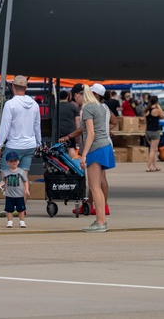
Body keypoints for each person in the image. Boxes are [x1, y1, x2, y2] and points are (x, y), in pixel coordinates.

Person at [78, 85, 114, 232]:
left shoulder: (87, 108)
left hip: (95, 148)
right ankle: (100, 220)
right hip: (105, 145)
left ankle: (100, 222)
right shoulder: (101, 107)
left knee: (94, 187)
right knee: (97, 186)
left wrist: (84, 155)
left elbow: (90, 133)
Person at [0, 75, 41, 172]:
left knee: (5, 172)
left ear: (12, 86)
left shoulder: (10, 104)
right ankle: (26, 188)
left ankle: (8, 188)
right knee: (24, 175)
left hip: (14, 145)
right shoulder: (35, 104)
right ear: (26, 87)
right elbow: (37, 126)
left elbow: (5, 126)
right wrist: (38, 143)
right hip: (30, 145)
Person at [0, 151, 29, 228]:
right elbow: (3, 181)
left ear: (18, 161)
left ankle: (22, 221)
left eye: (15, 160)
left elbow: (26, 181)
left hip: (19, 194)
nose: (13, 162)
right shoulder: (6, 172)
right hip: (9, 194)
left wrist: (26, 189)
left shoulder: (21, 172)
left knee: (21, 209)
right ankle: (10, 221)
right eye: (11, 161)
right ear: (7, 163)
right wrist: (0, 184)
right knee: (9, 209)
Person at [57, 85, 83, 151]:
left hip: (58, 131)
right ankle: (71, 161)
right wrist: (78, 134)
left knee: (58, 148)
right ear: (67, 96)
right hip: (70, 131)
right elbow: (77, 119)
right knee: (71, 148)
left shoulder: (55, 106)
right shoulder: (72, 106)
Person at [143, 96, 164, 172]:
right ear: (156, 102)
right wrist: (159, 107)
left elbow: (144, 121)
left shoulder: (146, 110)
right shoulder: (156, 110)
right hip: (155, 132)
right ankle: (148, 167)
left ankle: (155, 166)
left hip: (147, 132)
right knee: (152, 150)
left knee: (155, 149)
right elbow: (163, 116)